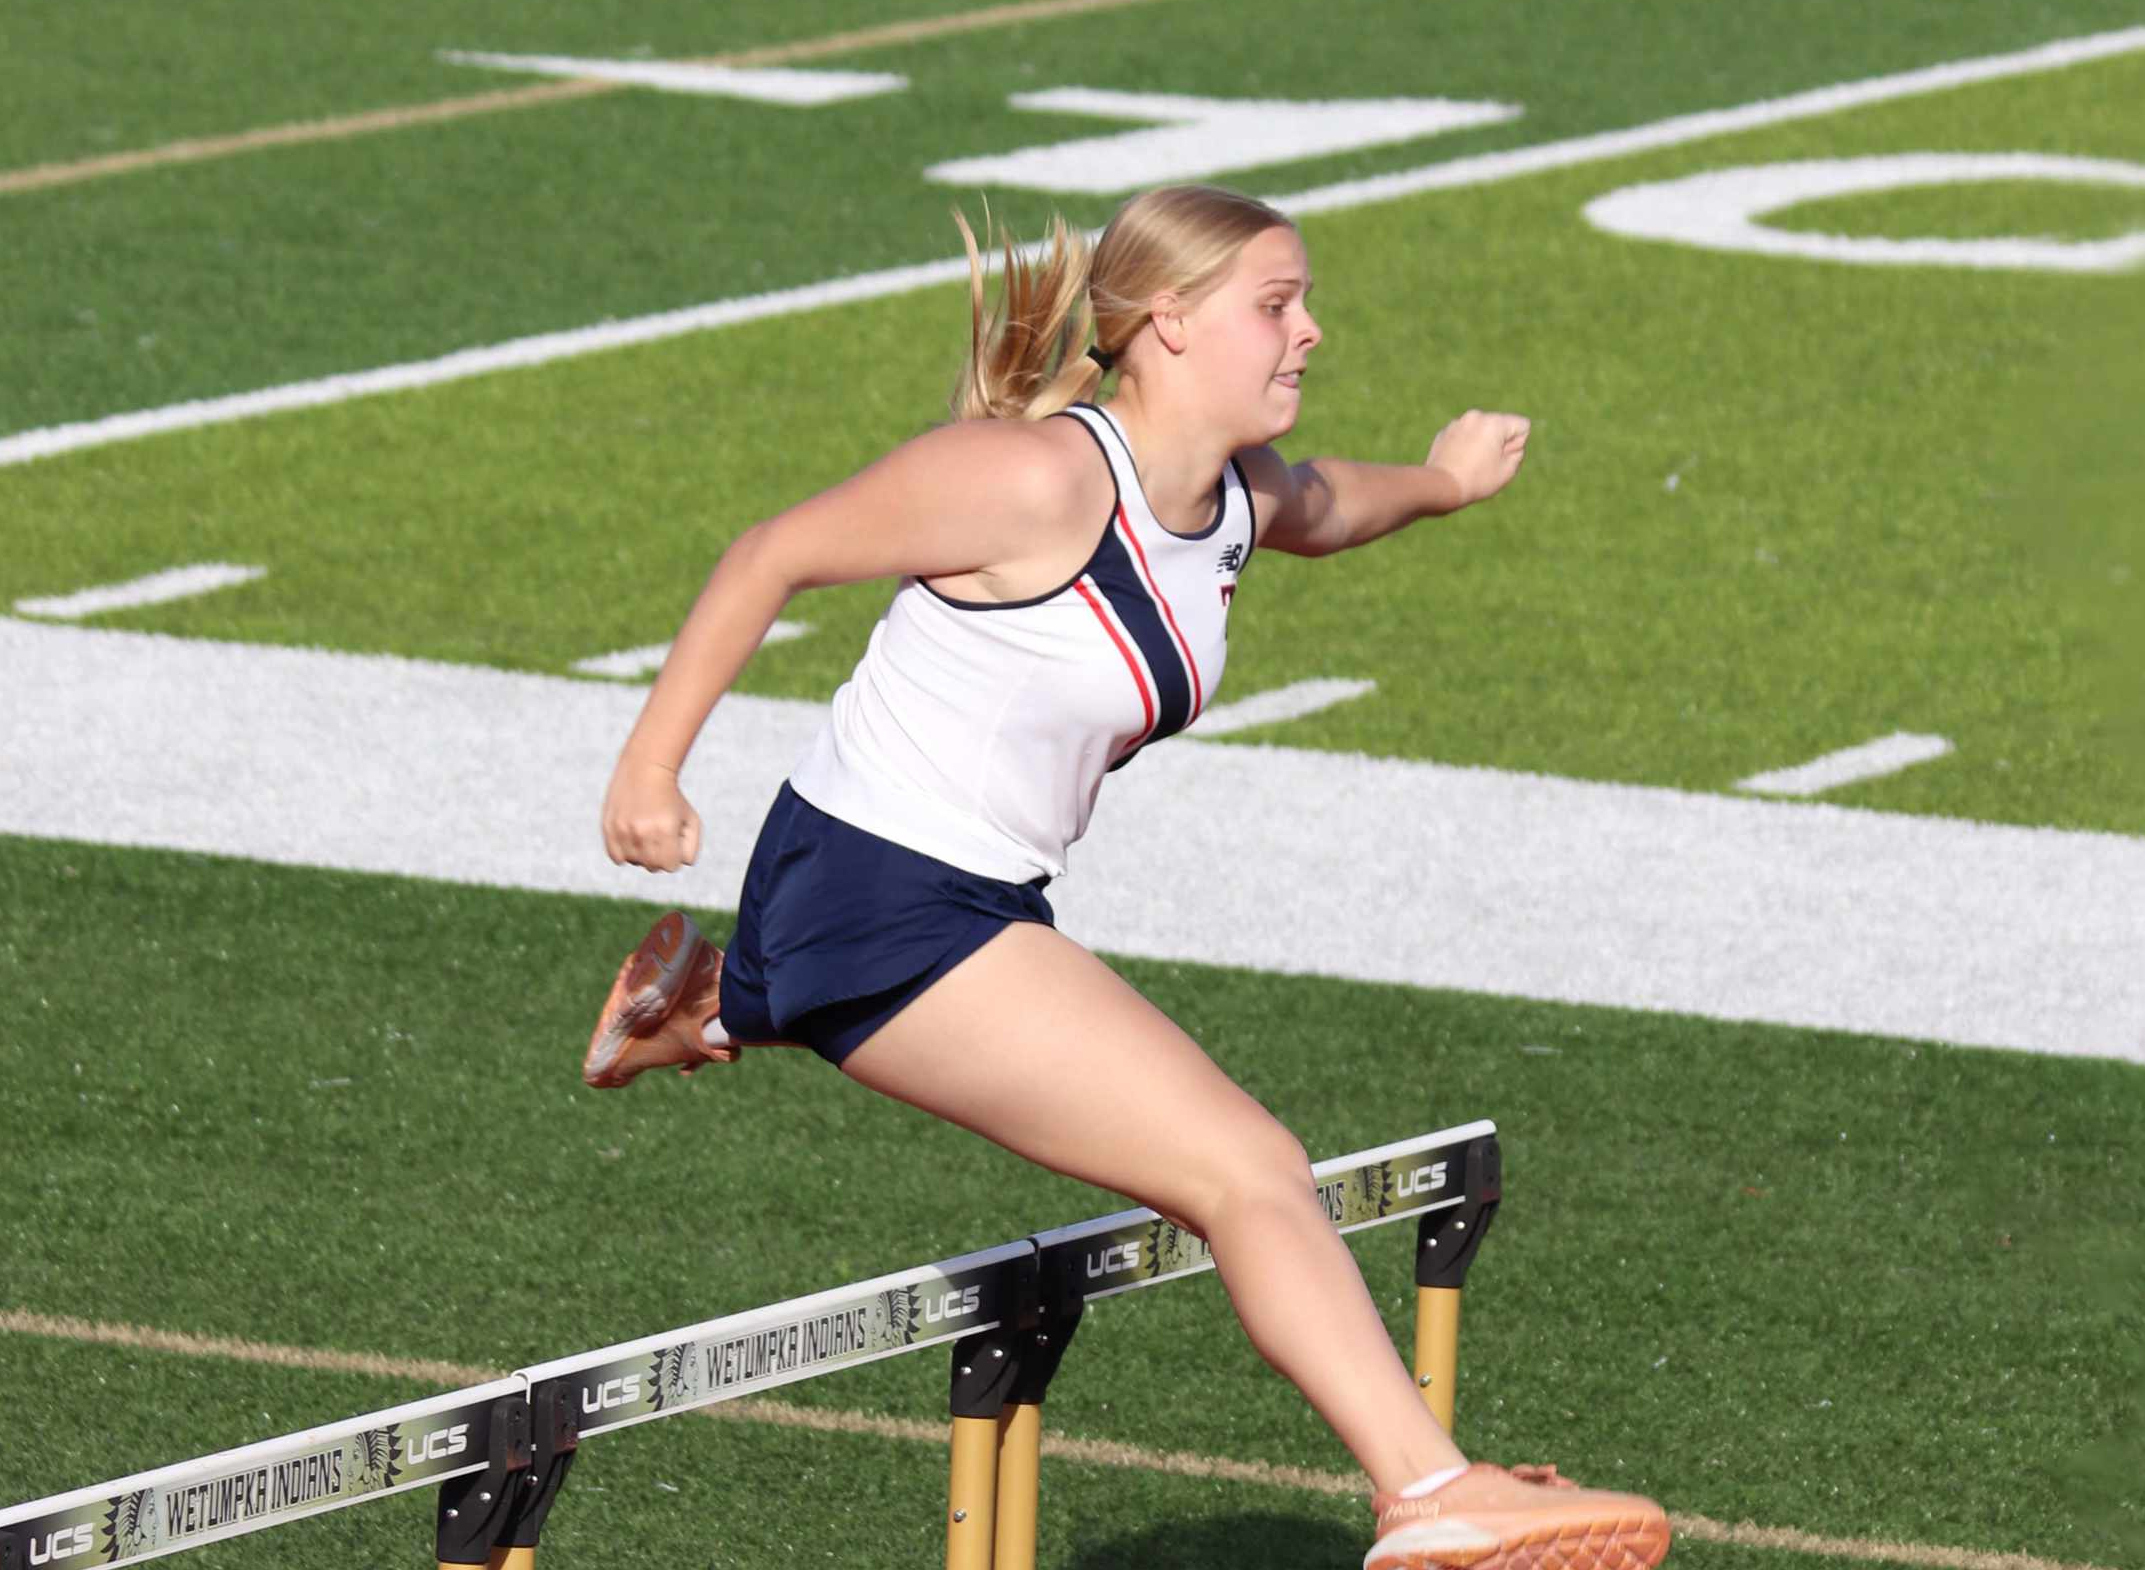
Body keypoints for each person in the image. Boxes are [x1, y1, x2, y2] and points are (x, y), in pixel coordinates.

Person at [584, 184, 1671, 1570]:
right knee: (1247, 1167)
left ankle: (710, 1003)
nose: (1311, 331)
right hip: (882, 891)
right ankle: (1428, 1490)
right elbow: (773, 553)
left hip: (970, 896)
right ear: (1169, 321)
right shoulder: (1036, 480)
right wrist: (651, 768)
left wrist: (1446, 483)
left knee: (1230, 1158)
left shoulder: (1230, 500)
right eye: (1276, 305)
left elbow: (1331, 504)